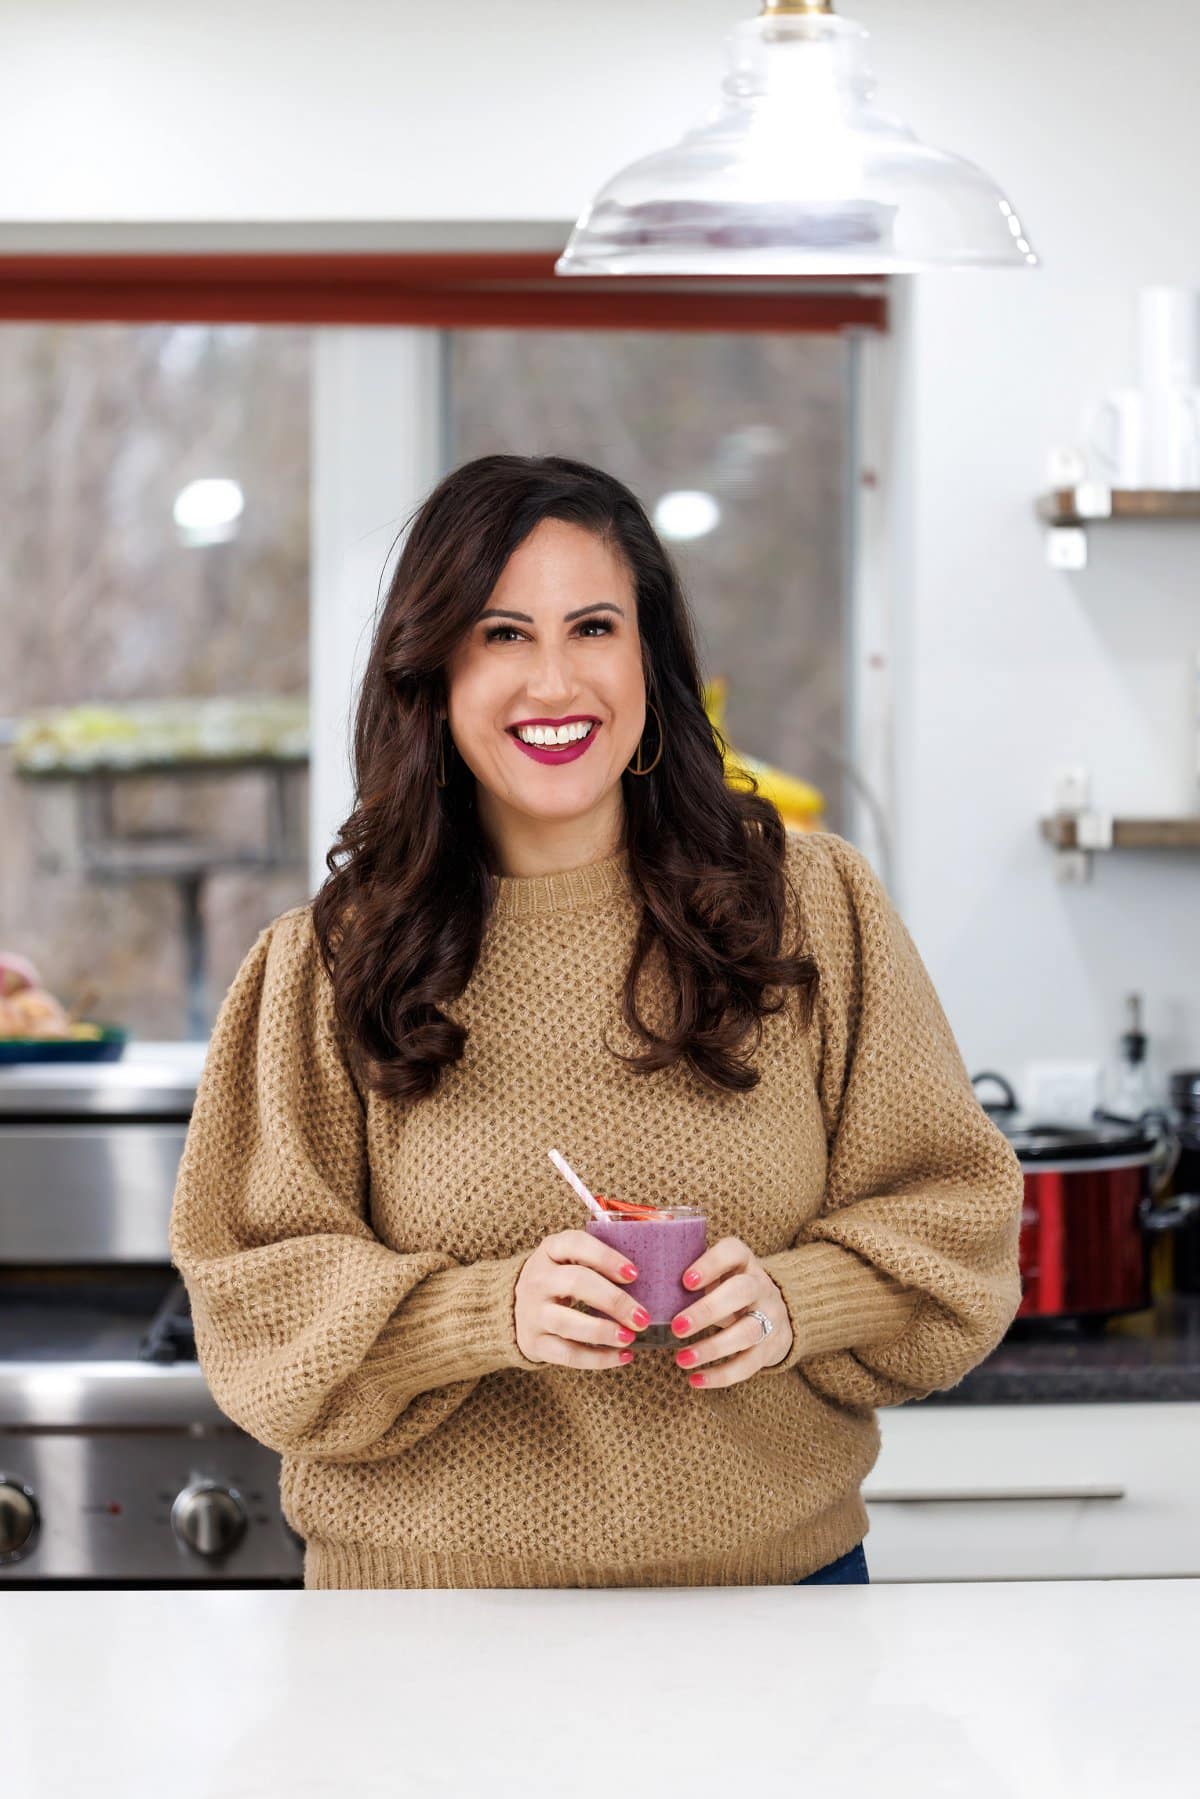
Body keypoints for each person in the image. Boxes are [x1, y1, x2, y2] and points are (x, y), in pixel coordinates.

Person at [168, 453, 1024, 1591]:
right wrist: (484, 1311)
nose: (555, 681)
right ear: (433, 676)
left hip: (778, 1609)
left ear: (651, 659)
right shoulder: (326, 964)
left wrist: (795, 1301)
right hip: (426, 1634)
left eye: (594, 627)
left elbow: (958, 1217)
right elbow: (253, 1309)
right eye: (503, 634)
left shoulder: (813, 907)